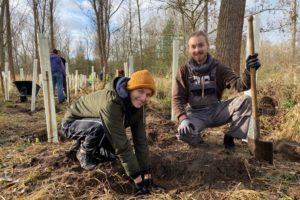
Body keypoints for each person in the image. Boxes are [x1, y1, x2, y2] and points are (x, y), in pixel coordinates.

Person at [61, 70, 156, 195]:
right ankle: (83, 152)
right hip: (72, 123)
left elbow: (140, 140)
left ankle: (82, 143)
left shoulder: (138, 106)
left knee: (113, 156)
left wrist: (146, 171)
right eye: (140, 91)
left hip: (97, 123)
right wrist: (137, 177)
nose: (144, 98)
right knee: (99, 127)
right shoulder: (111, 103)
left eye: (148, 94)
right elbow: (121, 143)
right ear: (130, 89)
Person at [172, 30, 261, 149]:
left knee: (246, 101)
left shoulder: (218, 67)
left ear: (207, 46)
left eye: (201, 45)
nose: (197, 50)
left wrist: (248, 71)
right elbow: (177, 98)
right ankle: (199, 141)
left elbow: (240, 85)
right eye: (193, 47)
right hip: (195, 114)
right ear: (189, 49)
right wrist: (183, 119)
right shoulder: (183, 71)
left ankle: (231, 136)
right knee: (184, 133)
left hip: (216, 111)